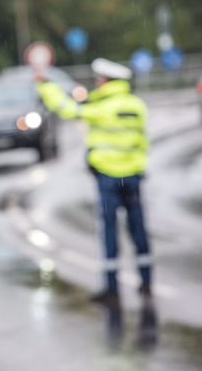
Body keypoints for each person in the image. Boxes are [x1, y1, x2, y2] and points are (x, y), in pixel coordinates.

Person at [34, 58, 152, 304]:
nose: (97, 83)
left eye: (100, 79)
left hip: (108, 178)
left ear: (108, 81)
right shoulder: (137, 105)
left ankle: (111, 288)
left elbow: (67, 109)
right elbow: (142, 140)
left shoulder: (102, 106)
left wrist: (46, 85)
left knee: (109, 231)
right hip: (133, 177)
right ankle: (146, 282)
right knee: (138, 230)